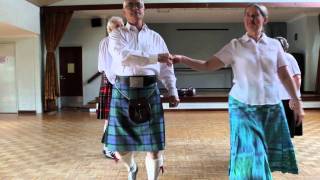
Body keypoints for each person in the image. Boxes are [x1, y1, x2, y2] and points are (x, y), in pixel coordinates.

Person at [171, 4, 305, 179]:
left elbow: (285, 75)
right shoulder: (236, 46)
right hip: (243, 106)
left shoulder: (274, 45)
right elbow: (207, 65)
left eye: (256, 16)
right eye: (248, 16)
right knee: (252, 153)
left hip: (271, 107)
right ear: (244, 20)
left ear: (265, 20)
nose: (251, 19)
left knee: (264, 153)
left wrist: (297, 101)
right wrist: (182, 59)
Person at [105, 0, 180, 179]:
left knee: (154, 148)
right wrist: (155, 57)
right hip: (123, 91)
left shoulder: (155, 37)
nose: (135, 8)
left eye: (138, 5)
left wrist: (172, 90)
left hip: (150, 90)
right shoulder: (116, 35)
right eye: (130, 5)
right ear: (124, 11)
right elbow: (124, 57)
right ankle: (132, 168)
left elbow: (166, 67)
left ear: (144, 9)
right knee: (120, 148)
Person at [97, 16, 124, 159]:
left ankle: (111, 146)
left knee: (119, 118)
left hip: (120, 81)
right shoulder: (105, 42)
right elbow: (104, 66)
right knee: (110, 118)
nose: (120, 28)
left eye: (121, 25)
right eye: (117, 26)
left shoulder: (123, 41)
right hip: (112, 81)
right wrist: (116, 82)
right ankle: (108, 148)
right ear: (109, 29)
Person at [275, 36, 303, 138]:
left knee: (287, 131)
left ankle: (286, 151)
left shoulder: (289, 58)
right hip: (275, 98)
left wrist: (293, 97)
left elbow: (297, 78)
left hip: (287, 98)